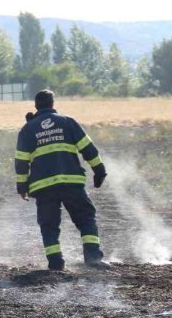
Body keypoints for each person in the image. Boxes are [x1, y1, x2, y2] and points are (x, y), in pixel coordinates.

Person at [15, 89, 110, 271]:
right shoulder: (68, 122)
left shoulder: (27, 130)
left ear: (36, 106)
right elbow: (87, 148)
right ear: (52, 104)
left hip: (43, 187)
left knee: (49, 225)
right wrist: (99, 170)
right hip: (71, 183)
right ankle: (92, 258)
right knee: (86, 218)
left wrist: (21, 186)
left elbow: (21, 162)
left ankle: (55, 264)